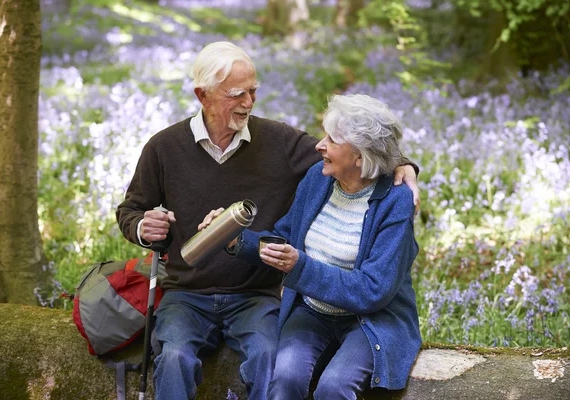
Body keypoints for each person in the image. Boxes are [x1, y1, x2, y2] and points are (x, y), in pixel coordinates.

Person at [116, 41, 420, 400]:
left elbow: (361, 151)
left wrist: (402, 165)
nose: (249, 102)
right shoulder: (164, 148)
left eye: (253, 90)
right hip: (187, 293)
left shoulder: (281, 143)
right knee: (174, 357)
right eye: (237, 94)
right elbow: (130, 210)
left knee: (268, 358)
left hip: (254, 295)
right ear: (203, 95)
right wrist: (142, 227)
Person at [200, 93, 421, 399]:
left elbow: (374, 290)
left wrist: (299, 266)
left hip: (370, 320)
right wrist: (237, 238)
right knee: (286, 378)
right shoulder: (318, 179)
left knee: (334, 387)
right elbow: (285, 239)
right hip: (313, 311)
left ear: (360, 156)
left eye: (332, 139)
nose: (320, 145)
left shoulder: (395, 203)